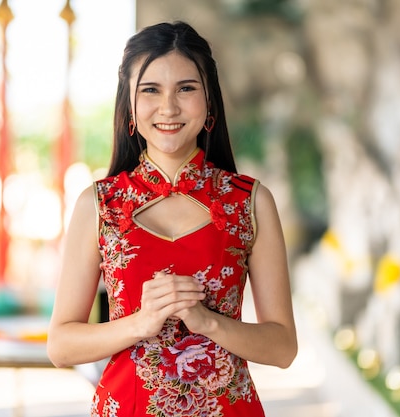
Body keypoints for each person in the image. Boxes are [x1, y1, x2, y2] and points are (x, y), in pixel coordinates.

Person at [47, 21, 298, 417]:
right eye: (150, 90)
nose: (168, 108)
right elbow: (61, 346)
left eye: (186, 88)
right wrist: (140, 323)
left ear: (209, 101)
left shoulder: (249, 203)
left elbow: (283, 347)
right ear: (130, 105)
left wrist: (208, 323)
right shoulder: (99, 205)